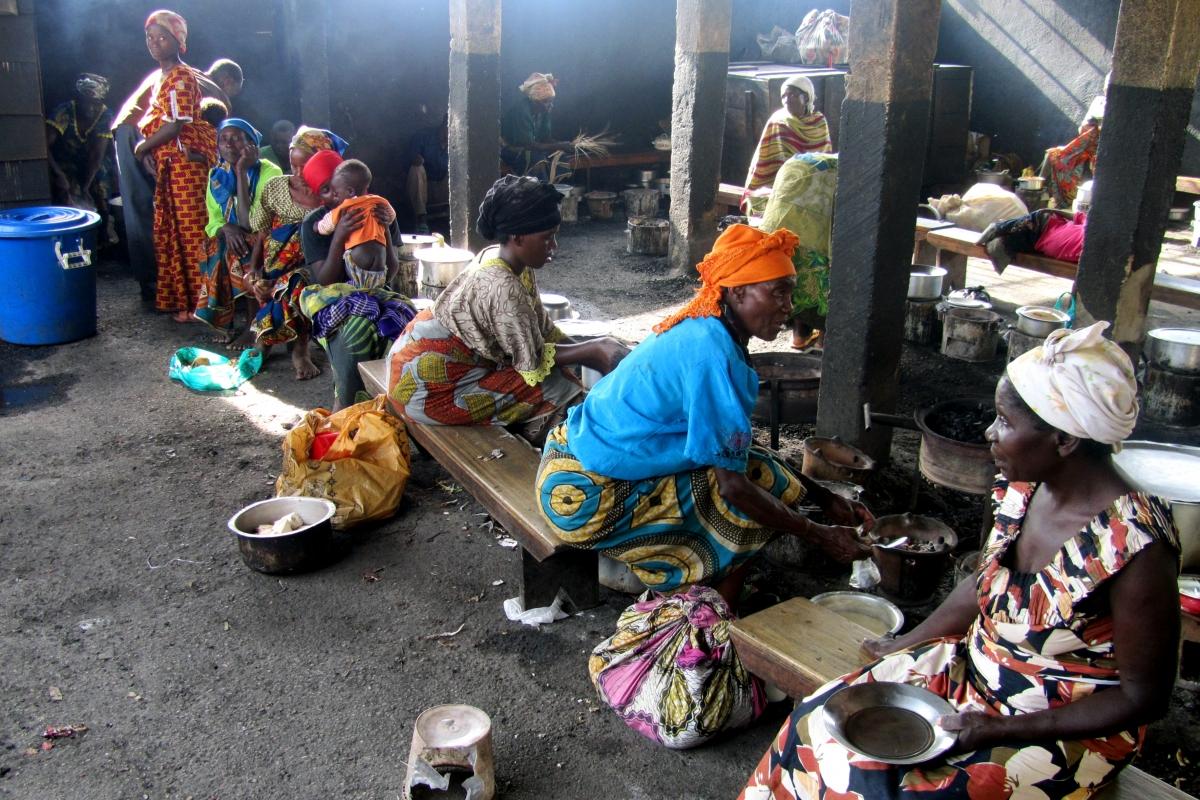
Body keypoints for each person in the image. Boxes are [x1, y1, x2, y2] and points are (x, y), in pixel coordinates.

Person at [740, 321, 1179, 800]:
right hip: (975, 672)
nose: (990, 433)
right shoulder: (1025, 487)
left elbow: (1143, 698)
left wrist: (999, 730)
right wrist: (905, 643)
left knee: (890, 788)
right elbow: (984, 583)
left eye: (1005, 422)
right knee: (814, 722)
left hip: (1062, 729)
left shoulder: (1136, 547)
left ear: (1065, 440)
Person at [534, 224, 874, 749]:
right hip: (586, 496)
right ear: (736, 292)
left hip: (572, 464)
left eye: (790, 291)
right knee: (740, 512)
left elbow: (736, 451)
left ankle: (713, 598)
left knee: (766, 473)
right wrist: (818, 534)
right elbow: (734, 486)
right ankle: (711, 622)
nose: (789, 307)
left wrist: (824, 497)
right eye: (777, 292)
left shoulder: (709, 328)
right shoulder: (713, 353)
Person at [387, 175, 627, 431]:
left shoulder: (509, 262)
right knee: (554, 388)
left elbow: (544, 331)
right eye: (547, 237)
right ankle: (565, 441)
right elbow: (532, 361)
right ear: (518, 237)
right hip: (425, 390)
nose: (554, 246)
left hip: (416, 364)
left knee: (565, 374)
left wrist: (595, 349)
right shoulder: (502, 285)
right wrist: (594, 350)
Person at [113, 53, 239, 301]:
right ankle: (161, 283)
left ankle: (162, 286)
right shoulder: (213, 93)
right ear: (228, 81)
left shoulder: (188, 74)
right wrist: (146, 149)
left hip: (138, 131)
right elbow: (179, 126)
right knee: (160, 212)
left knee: (151, 209)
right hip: (149, 136)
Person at [298, 150, 415, 410]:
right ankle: (346, 406)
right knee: (356, 332)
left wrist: (384, 229)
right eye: (325, 190)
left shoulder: (380, 211)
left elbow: (390, 271)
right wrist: (340, 236)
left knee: (409, 328)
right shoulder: (316, 223)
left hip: (377, 293)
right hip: (333, 298)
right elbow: (325, 280)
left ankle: (390, 411)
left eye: (336, 187)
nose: (333, 195)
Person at [133, 9, 218, 322]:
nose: (154, 43)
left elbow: (175, 124)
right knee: (174, 232)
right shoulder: (161, 77)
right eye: (150, 37)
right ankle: (185, 301)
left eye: (162, 37)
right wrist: (149, 152)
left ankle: (202, 304)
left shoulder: (181, 76)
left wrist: (142, 147)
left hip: (186, 166)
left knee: (192, 233)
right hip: (170, 163)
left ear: (178, 41)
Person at [244, 126, 347, 379]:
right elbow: (262, 232)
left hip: (315, 263)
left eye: (306, 166)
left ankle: (299, 349)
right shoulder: (275, 187)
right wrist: (254, 268)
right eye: (294, 165)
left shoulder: (331, 194)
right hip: (275, 260)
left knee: (297, 284)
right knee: (267, 282)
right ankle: (266, 337)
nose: (299, 173)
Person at [194, 118, 282, 337]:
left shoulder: (270, 172)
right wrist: (226, 228)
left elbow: (249, 223)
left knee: (245, 249)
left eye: (236, 139)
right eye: (223, 139)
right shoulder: (217, 175)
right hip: (236, 236)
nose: (229, 144)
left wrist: (242, 172)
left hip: (267, 235)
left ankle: (253, 323)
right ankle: (225, 320)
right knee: (217, 245)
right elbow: (213, 221)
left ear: (251, 144)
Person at [760, 152, 838, 350]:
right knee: (822, 266)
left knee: (794, 262)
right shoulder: (846, 168)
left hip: (790, 182)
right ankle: (824, 341)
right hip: (819, 193)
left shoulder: (814, 160)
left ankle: (799, 336)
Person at [742, 75, 832, 215]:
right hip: (780, 184)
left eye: (792, 95)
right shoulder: (778, 121)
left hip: (813, 182)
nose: (787, 100)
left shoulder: (820, 122)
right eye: (783, 96)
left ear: (806, 97)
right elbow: (767, 160)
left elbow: (824, 158)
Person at [45, 73, 116, 240]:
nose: (90, 108)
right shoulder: (65, 111)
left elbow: (96, 156)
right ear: (78, 100)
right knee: (68, 190)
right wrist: (59, 175)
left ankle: (104, 233)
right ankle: (71, 234)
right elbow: (43, 147)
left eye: (95, 103)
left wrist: (86, 186)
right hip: (64, 161)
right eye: (86, 102)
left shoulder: (104, 115)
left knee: (100, 187)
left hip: (91, 162)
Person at [314, 159, 394, 286]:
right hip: (379, 262)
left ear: (350, 192)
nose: (334, 197)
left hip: (359, 259)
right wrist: (388, 221)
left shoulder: (346, 206)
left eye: (336, 193)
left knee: (358, 288)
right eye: (326, 190)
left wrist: (317, 227)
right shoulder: (378, 202)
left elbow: (326, 225)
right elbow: (392, 214)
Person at [500, 73, 573, 176]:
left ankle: (559, 184)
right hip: (510, 150)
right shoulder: (522, 111)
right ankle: (540, 186)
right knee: (537, 160)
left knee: (560, 155)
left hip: (531, 148)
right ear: (535, 101)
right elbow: (528, 145)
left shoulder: (544, 112)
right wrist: (559, 145)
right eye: (546, 102)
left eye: (551, 101)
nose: (550, 105)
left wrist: (563, 145)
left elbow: (545, 138)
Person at [1039, 94, 1104, 209]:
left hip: (1100, 150)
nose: (1107, 90)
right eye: (1106, 88)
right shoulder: (1099, 101)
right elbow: (1082, 128)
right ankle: (1039, 191)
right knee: (1052, 154)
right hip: (1084, 147)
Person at [405, 113, 449, 234]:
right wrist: (417, 159)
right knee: (416, 169)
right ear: (445, 124)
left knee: (461, 169)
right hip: (423, 188)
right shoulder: (424, 136)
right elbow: (411, 158)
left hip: (443, 189)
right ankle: (421, 220)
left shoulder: (456, 143)